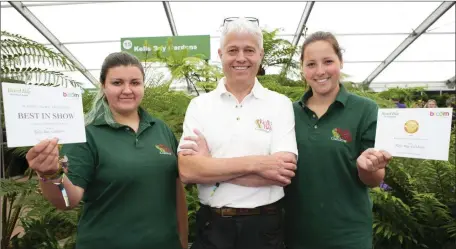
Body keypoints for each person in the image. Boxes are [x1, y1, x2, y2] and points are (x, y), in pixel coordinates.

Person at [25, 52, 188, 249]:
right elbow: (68, 200)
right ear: (103, 86)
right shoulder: (86, 134)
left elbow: (177, 190)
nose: (127, 90)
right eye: (117, 83)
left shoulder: (160, 129)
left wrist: (183, 240)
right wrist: (50, 174)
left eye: (135, 83)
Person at [177, 17, 298, 249]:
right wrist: (259, 165)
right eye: (233, 50)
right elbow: (187, 170)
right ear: (221, 54)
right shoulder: (199, 106)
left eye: (249, 50)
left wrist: (210, 166)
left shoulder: (280, 104)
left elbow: (282, 173)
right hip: (212, 228)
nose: (241, 58)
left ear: (260, 55)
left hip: (264, 229)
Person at [283, 31, 392, 249]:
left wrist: (367, 167)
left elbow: (375, 179)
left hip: (348, 236)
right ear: (302, 69)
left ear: (340, 62)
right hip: (295, 235)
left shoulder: (365, 110)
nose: (320, 71)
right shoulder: (287, 112)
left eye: (328, 61)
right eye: (311, 64)